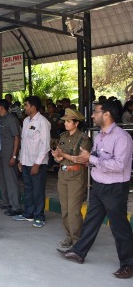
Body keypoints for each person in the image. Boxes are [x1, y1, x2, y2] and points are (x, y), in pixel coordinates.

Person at [57, 101, 133, 279]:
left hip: (114, 187)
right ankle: (79, 252)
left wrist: (91, 158)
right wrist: (87, 159)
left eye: (95, 112)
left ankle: (128, 264)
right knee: (91, 220)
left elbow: (120, 165)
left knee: (119, 226)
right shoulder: (99, 136)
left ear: (106, 114)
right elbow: (95, 158)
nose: (92, 115)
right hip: (99, 185)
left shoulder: (122, 138)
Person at [51, 109, 92, 249]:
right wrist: (57, 156)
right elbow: (60, 158)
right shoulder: (63, 136)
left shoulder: (84, 139)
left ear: (76, 123)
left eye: (68, 121)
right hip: (62, 175)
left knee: (74, 210)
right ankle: (69, 235)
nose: (65, 124)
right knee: (65, 209)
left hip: (76, 177)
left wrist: (64, 155)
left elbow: (82, 159)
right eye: (65, 121)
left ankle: (77, 240)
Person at [13, 96, 50, 228]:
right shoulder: (26, 121)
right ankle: (28, 213)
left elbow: (45, 145)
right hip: (26, 161)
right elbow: (24, 142)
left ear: (33, 107)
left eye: (26, 105)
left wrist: (37, 163)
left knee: (38, 190)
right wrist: (20, 160)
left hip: (37, 164)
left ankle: (39, 216)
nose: (25, 107)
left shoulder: (43, 122)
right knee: (28, 189)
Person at [0, 99, 22, 216]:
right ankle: (6, 202)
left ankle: (15, 206)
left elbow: (17, 137)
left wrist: (14, 156)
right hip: (0, 154)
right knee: (2, 180)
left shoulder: (11, 119)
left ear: (1, 107)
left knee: (11, 180)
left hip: (9, 155)